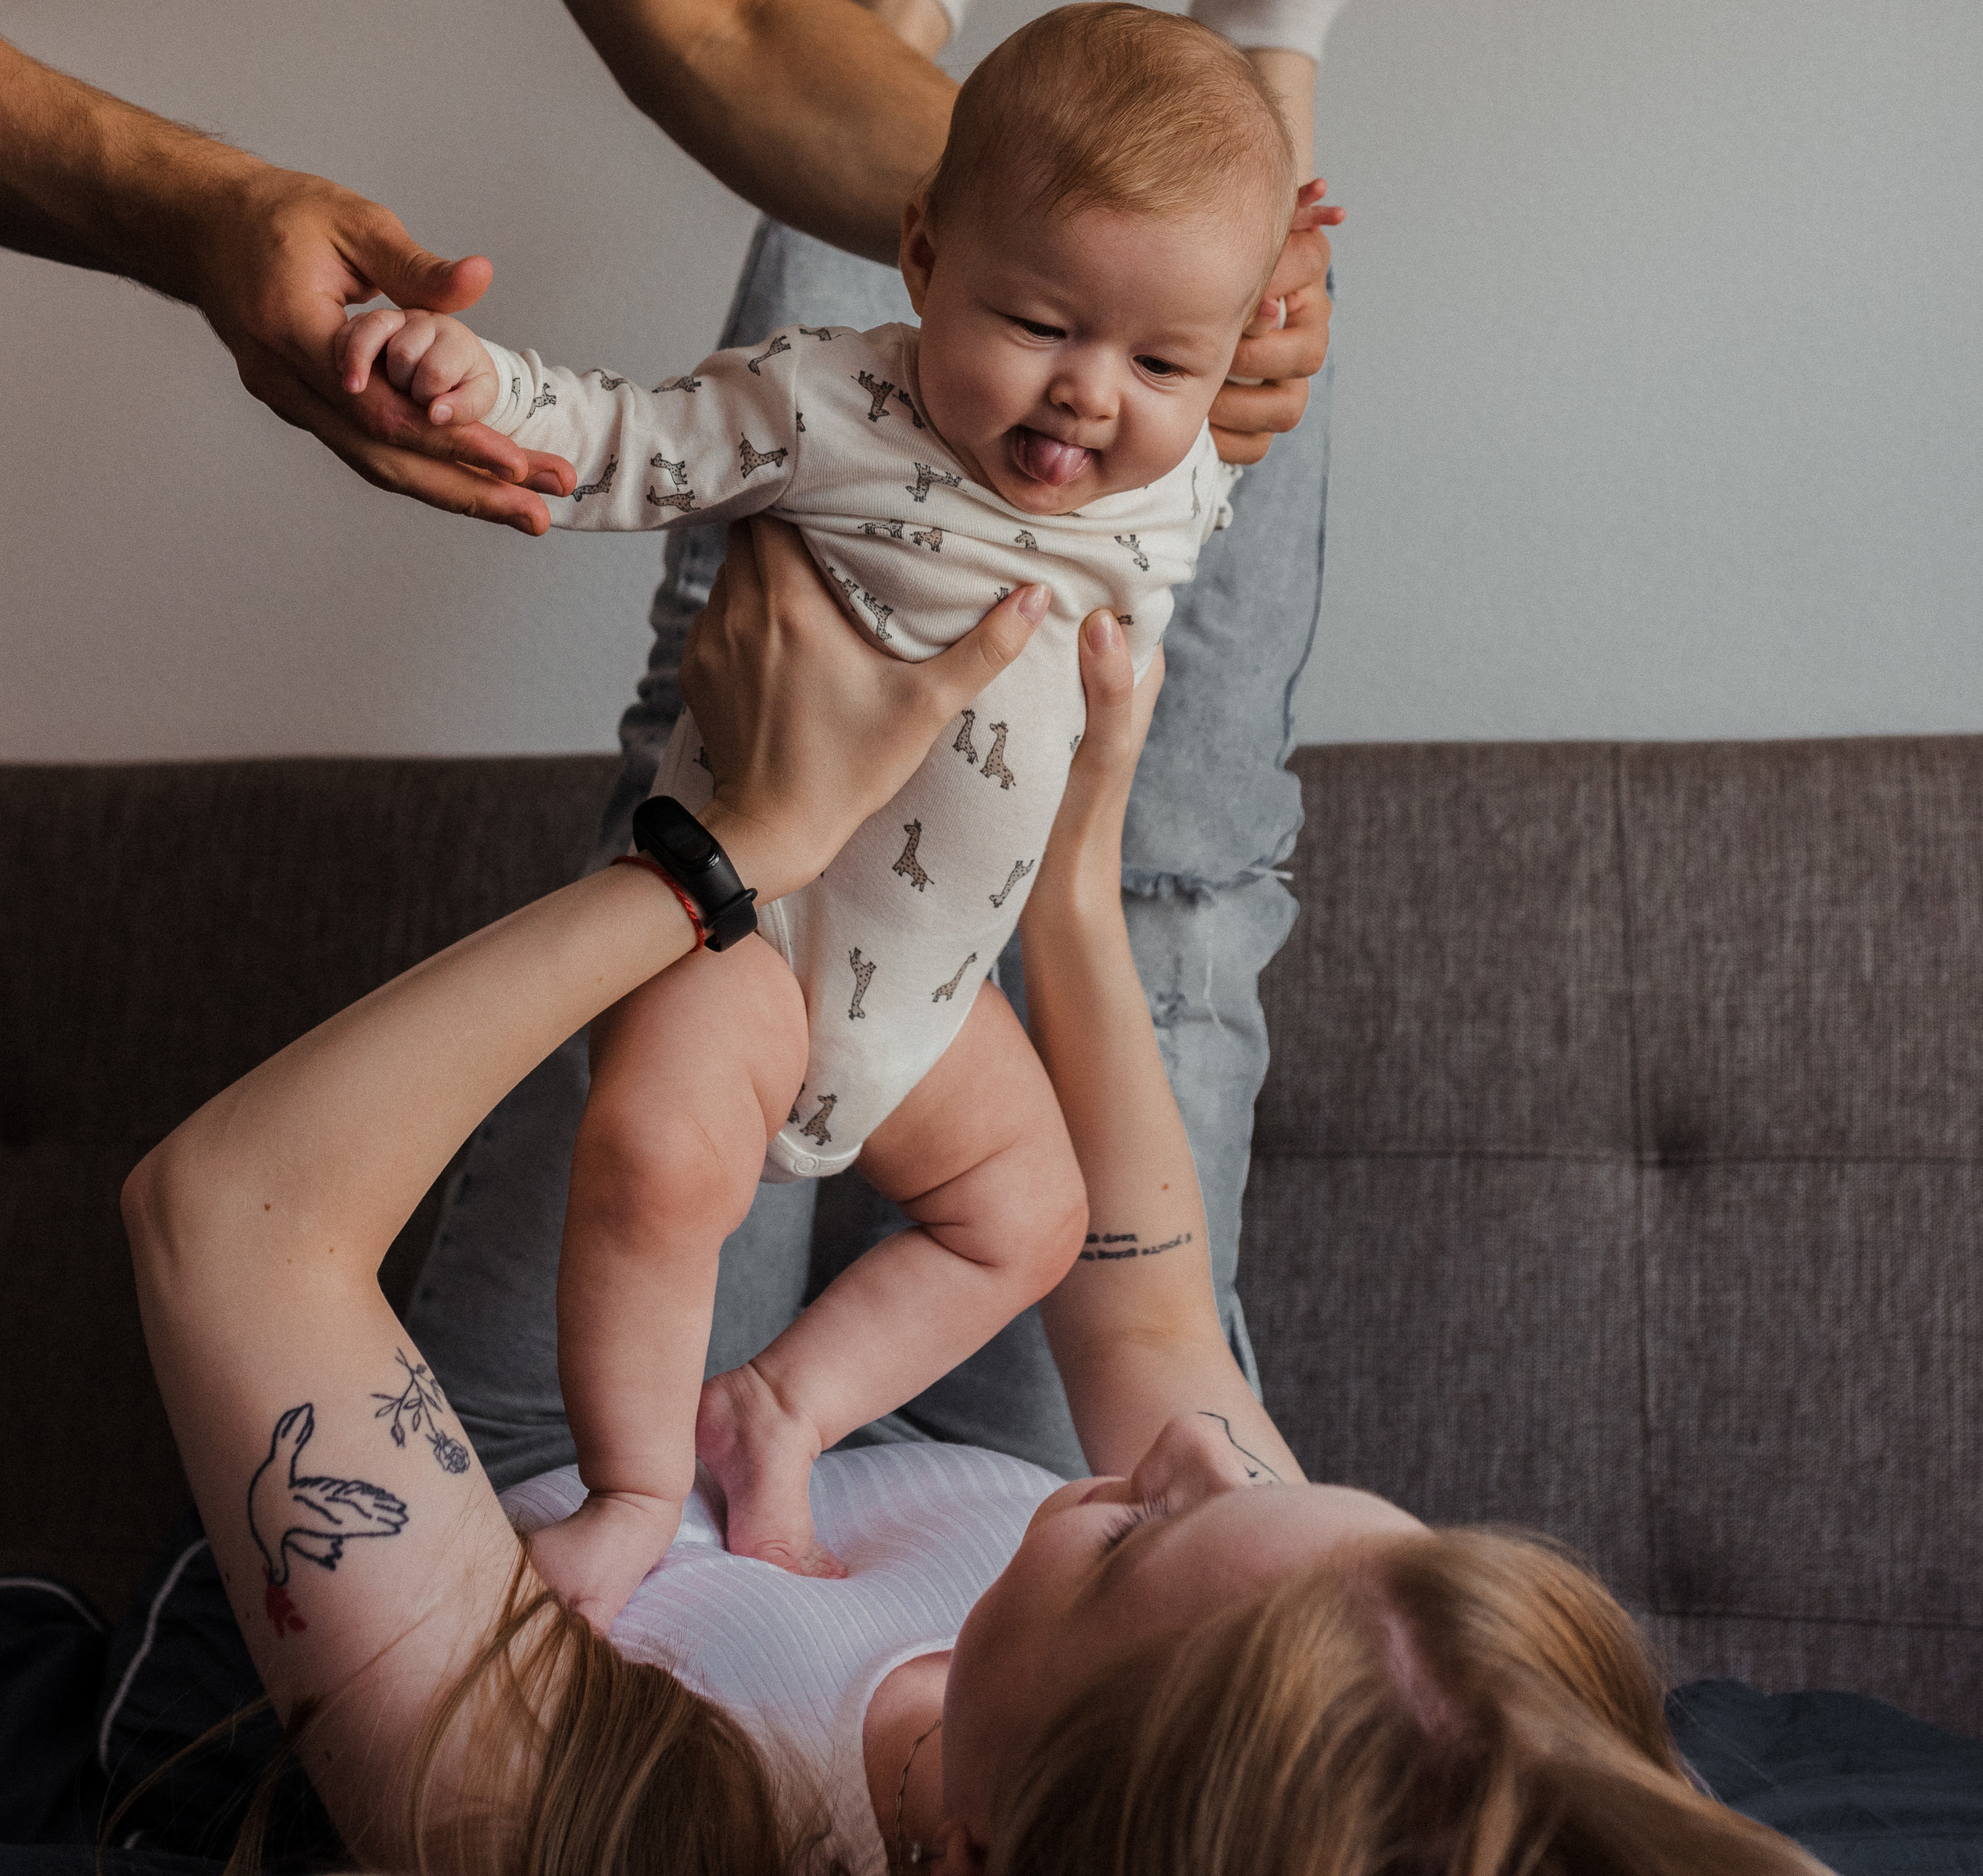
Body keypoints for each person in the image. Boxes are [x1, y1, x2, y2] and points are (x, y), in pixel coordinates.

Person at [120, 524, 1820, 1875]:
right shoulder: (1330, 1683)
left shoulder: (604, 1809)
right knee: (1176, 878)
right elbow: (1148, 1316)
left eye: (1138, 1535)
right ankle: (1192, 225)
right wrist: (1075, 885)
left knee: (750, 700)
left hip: (564, 1483)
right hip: (956, 1352)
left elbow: (227, 1215)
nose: (1193, 1456)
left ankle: (848, 136)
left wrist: (720, 850)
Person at [403, 0, 1474, 1488]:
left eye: (1122, 356)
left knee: (729, 685)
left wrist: (459, 388)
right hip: (1005, 1279)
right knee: (1172, 880)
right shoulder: (1130, 1690)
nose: (1075, 392)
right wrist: (1232, 314)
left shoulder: (492, 1685)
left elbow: (635, 443)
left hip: (772, 984)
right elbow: (1190, 421)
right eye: (1054, 337)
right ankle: (1267, 48)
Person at [334, 2, 1312, 1615]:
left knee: (1032, 1218)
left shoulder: (1172, 472)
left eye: (1153, 360)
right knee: (653, 1156)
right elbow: (625, 442)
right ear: (919, 260)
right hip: (753, 932)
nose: (1082, 397)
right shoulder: (831, 406)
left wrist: (1277, 279)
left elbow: (1245, 379)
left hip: (929, 1000)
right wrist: (471, 379)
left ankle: (778, 1405)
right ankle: (640, 1489)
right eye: (1037, 321)